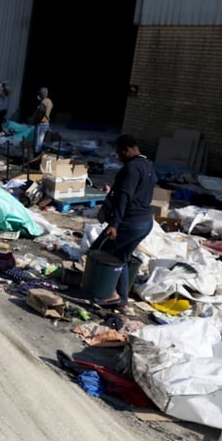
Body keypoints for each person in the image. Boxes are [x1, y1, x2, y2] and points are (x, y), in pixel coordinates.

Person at [90, 134, 156, 315]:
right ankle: (122, 301)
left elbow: (124, 198)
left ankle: (108, 292)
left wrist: (115, 224)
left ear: (126, 150)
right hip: (145, 222)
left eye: (119, 152)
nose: (118, 156)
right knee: (122, 258)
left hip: (129, 222)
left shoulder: (131, 168)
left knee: (101, 251)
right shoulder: (148, 166)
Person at [30, 86, 53, 154]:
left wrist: (35, 121)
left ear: (41, 94)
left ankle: (36, 155)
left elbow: (40, 114)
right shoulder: (49, 101)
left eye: (39, 94)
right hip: (46, 124)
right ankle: (38, 154)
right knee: (41, 140)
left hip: (41, 124)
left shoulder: (43, 103)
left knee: (38, 142)